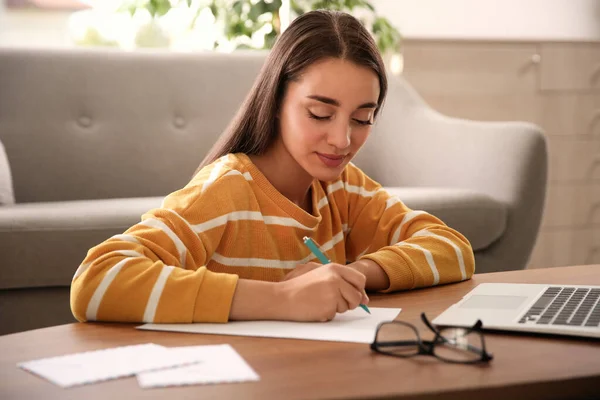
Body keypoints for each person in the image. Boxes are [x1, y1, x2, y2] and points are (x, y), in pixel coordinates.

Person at [70, 10, 475, 325]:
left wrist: (353, 275)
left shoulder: (345, 190)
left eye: (362, 118)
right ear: (276, 101)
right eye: (320, 114)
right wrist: (281, 299)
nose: (342, 140)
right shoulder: (225, 190)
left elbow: (453, 248)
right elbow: (96, 281)